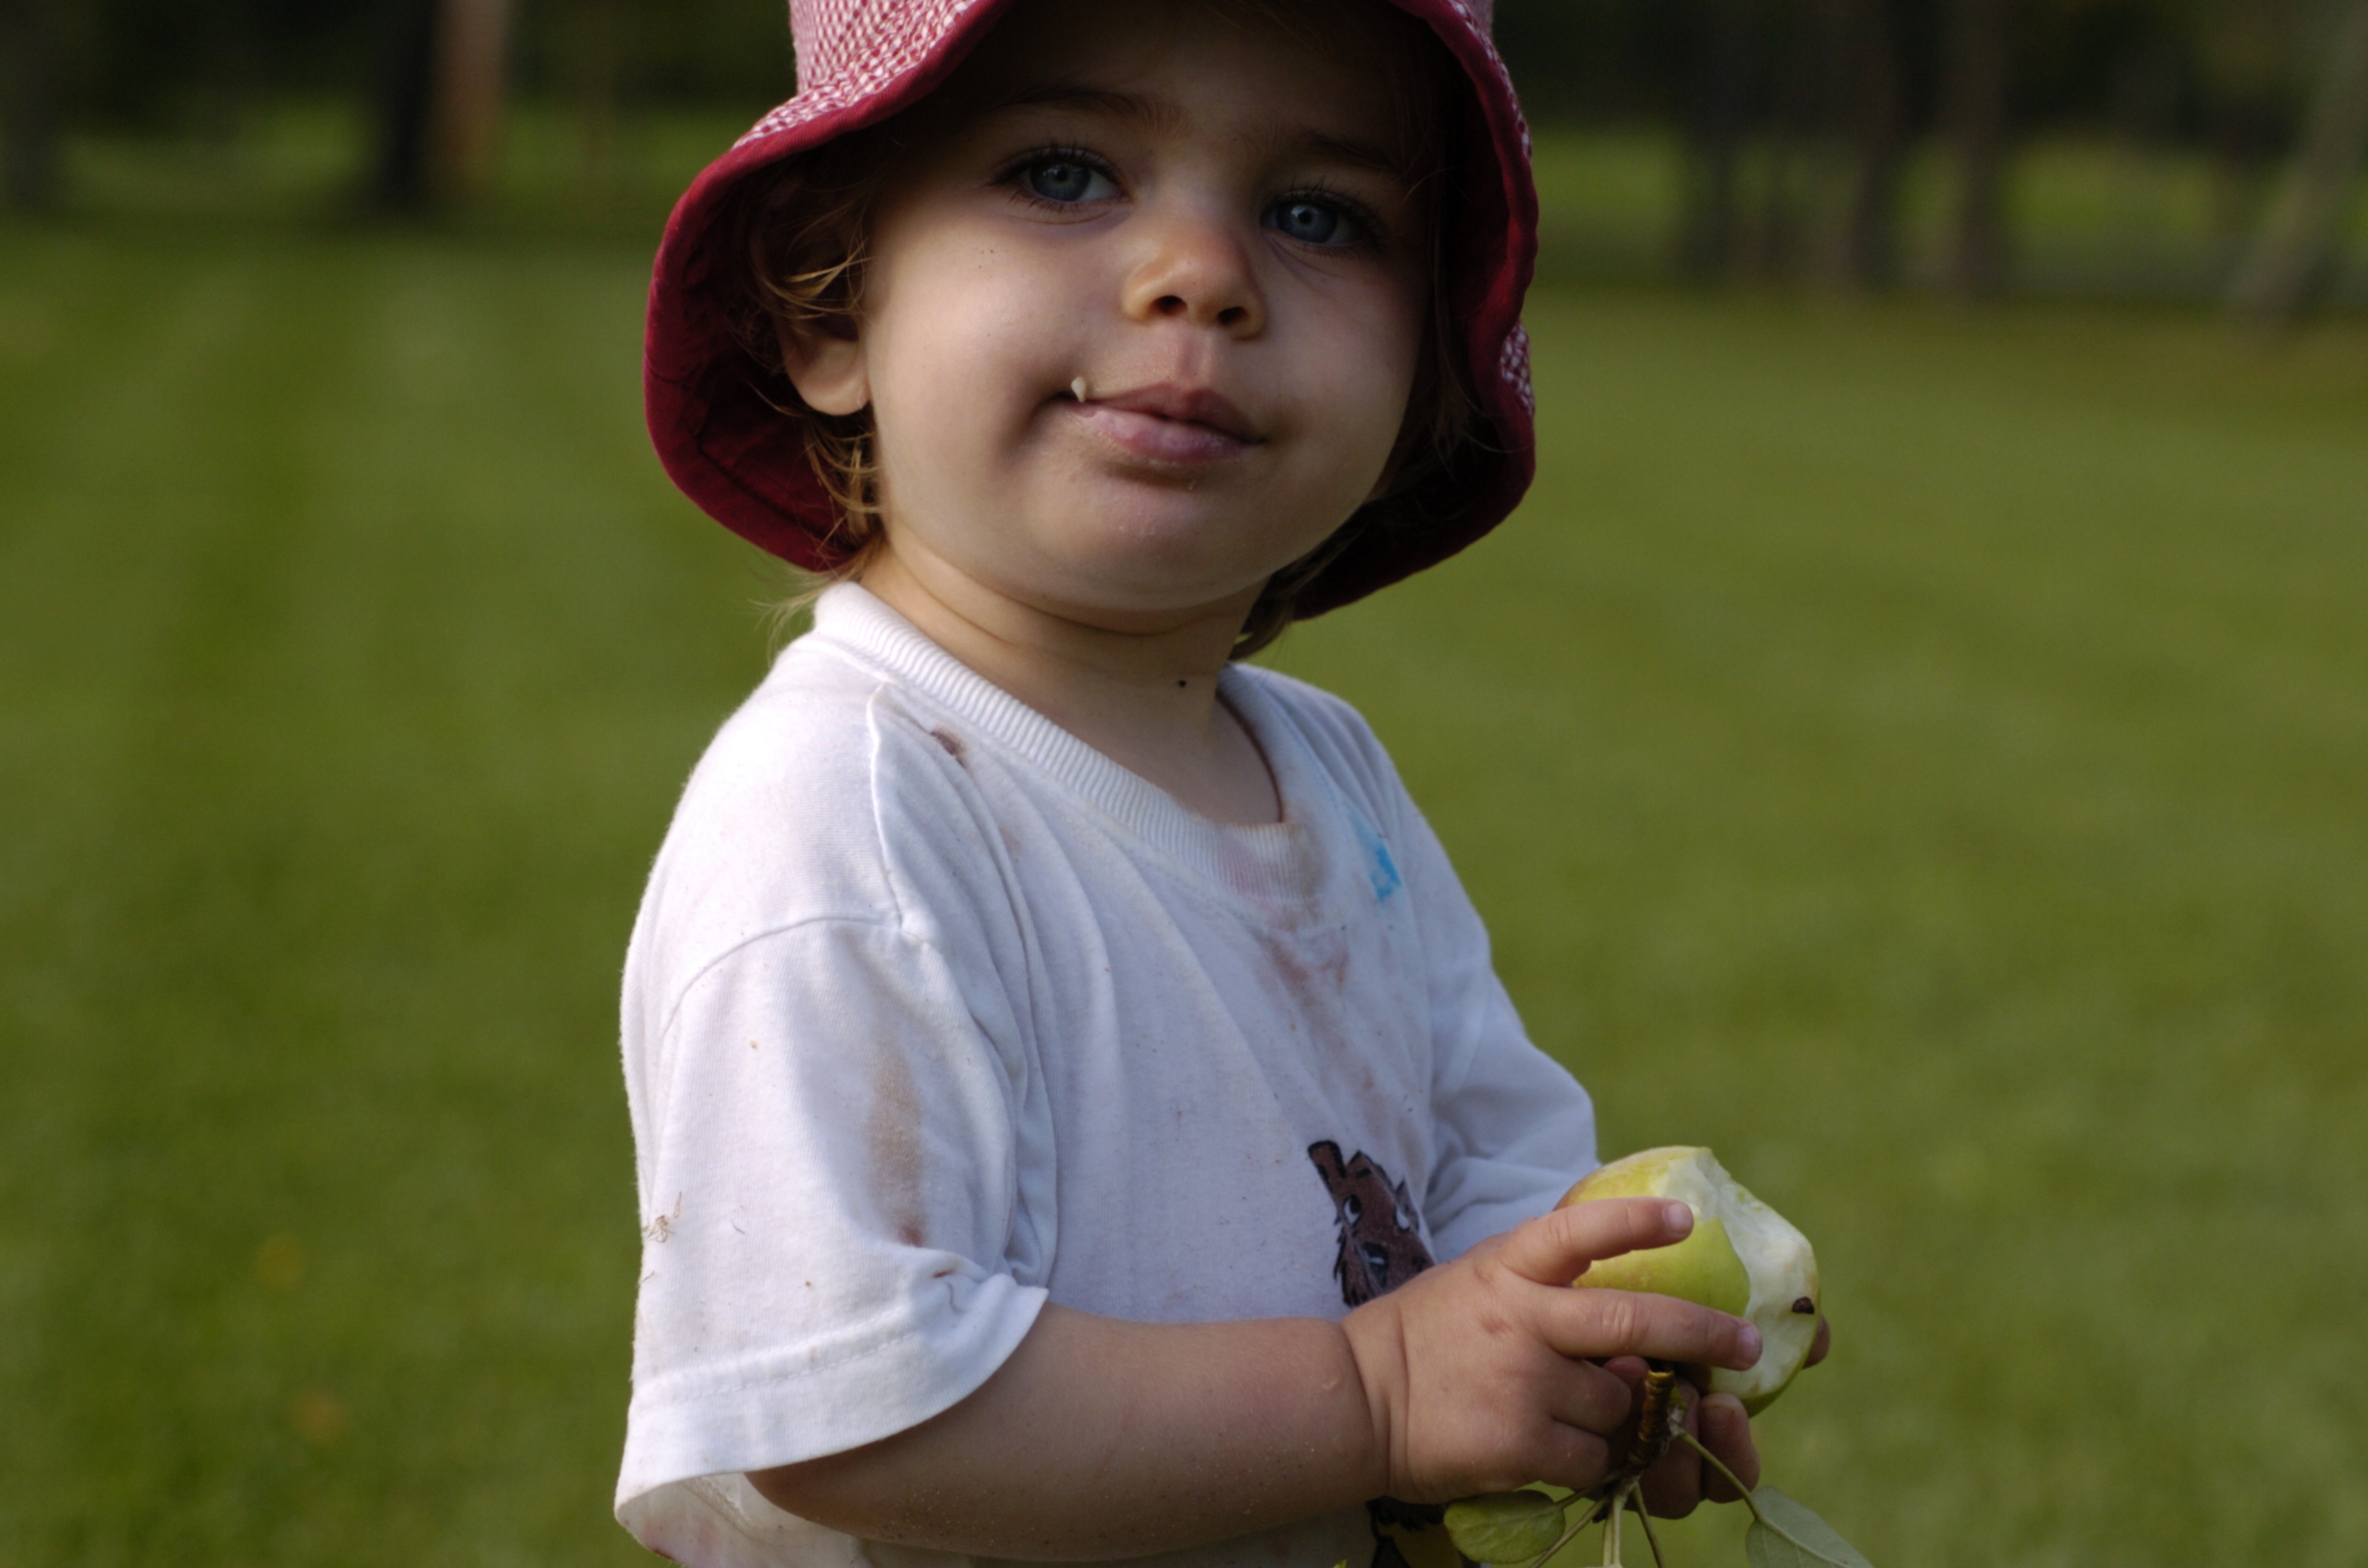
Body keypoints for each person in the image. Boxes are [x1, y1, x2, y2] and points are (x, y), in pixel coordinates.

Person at [617, 2, 1820, 1564]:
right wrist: (1379, 1391)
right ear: (829, 310)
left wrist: (1591, 1346)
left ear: (1418, 383)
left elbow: (1485, 1180)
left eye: (1319, 214)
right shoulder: (850, 812)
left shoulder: (1331, 775)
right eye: (1062, 173)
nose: (1201, 272)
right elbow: (845, 1408)